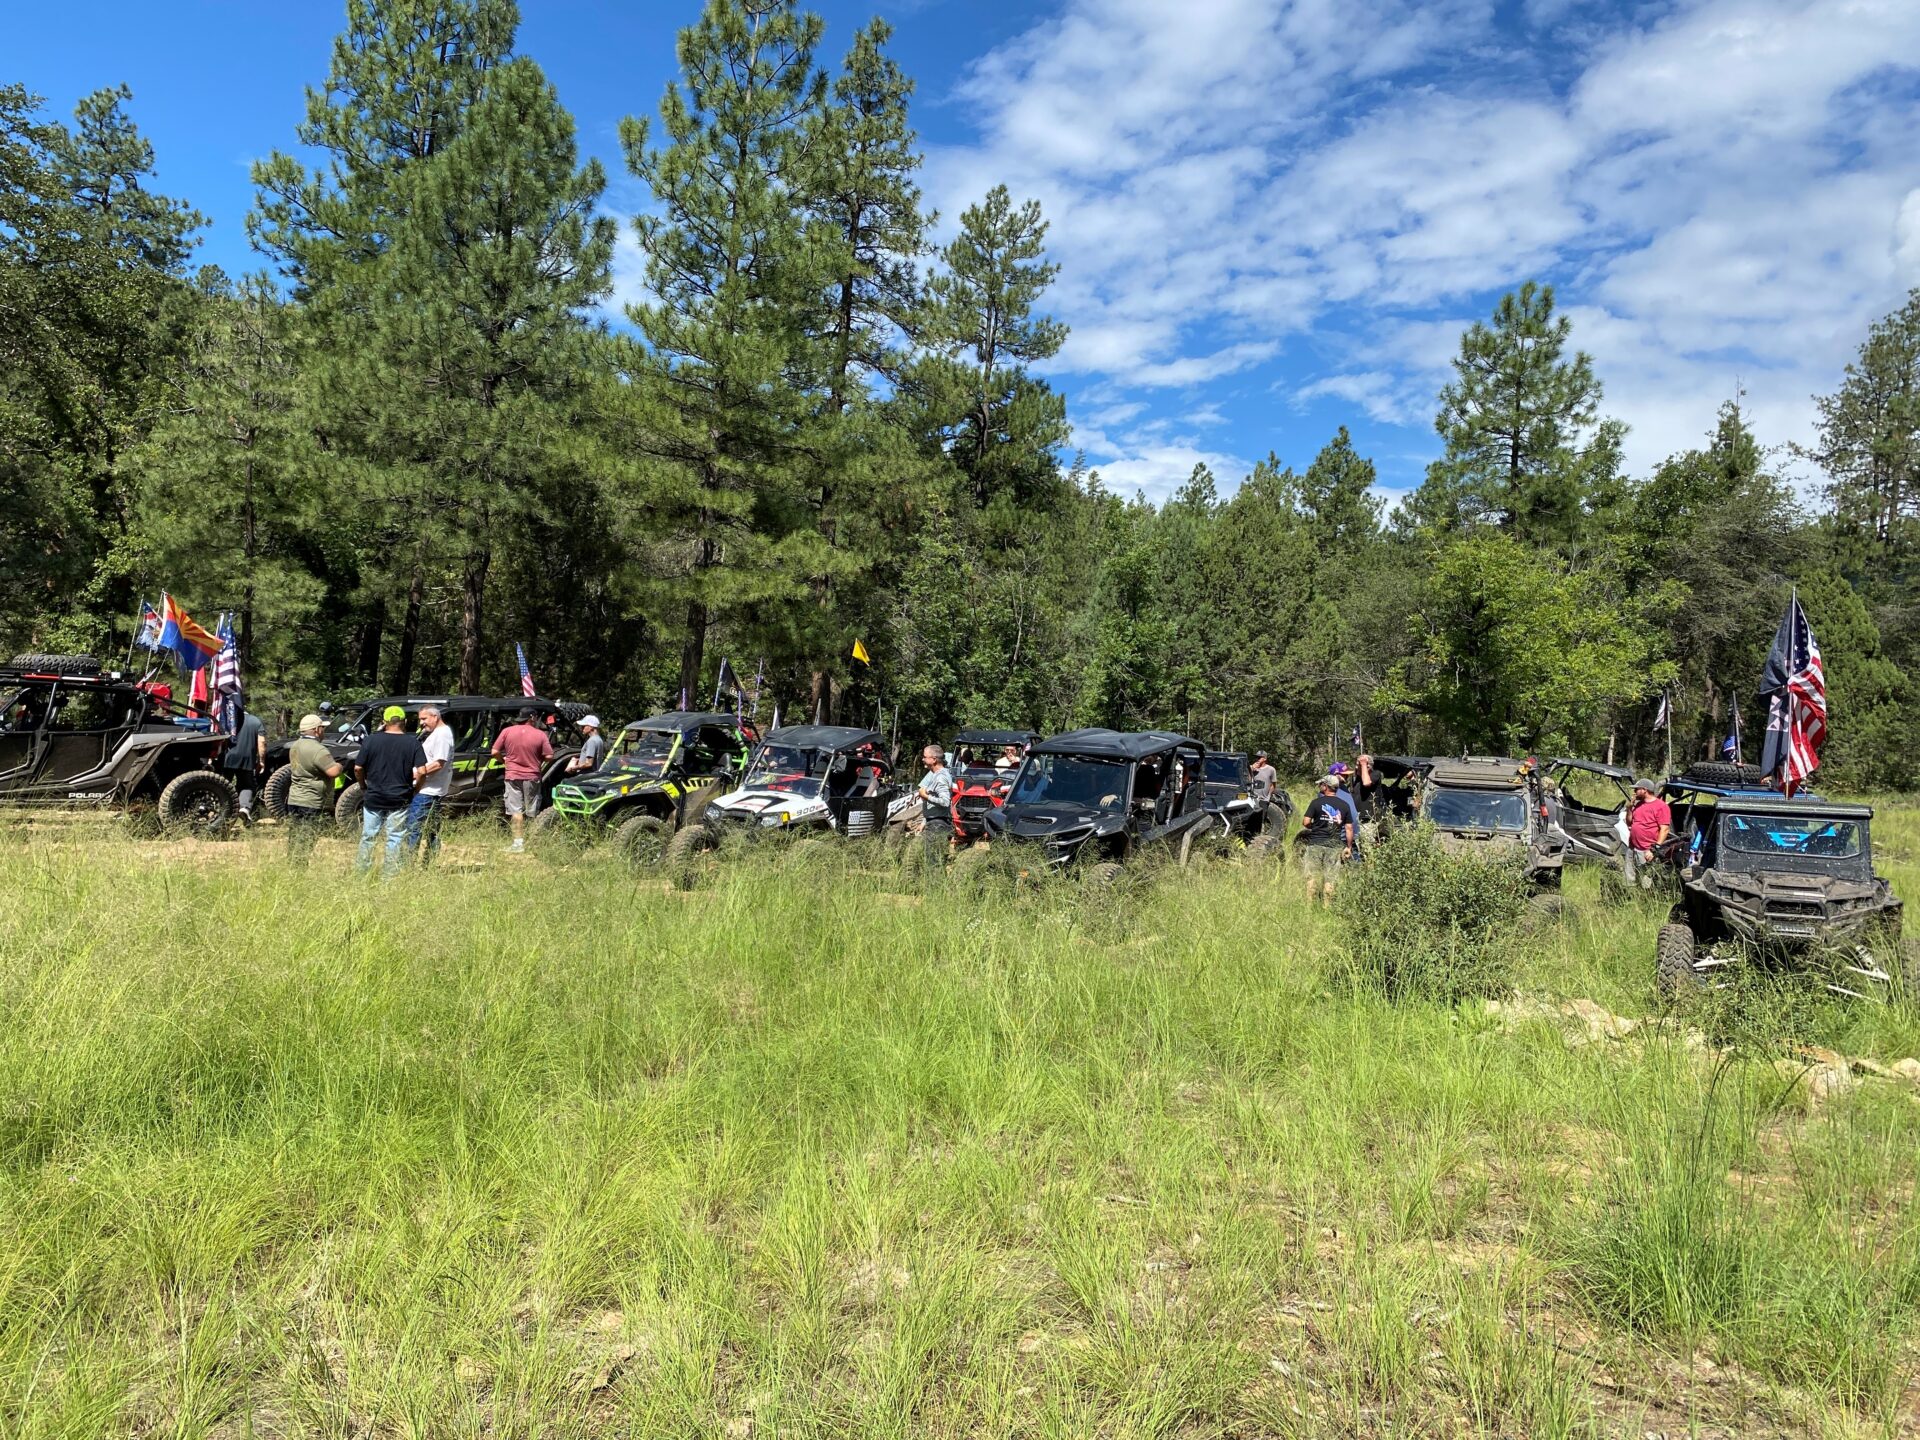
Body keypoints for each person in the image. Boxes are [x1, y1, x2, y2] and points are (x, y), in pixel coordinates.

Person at [355, 705, 425, 877]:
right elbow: (422, 771)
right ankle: (389, 878)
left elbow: (358, 768)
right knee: (395, 837)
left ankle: (361, 875)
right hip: (400, 798)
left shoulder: (371, 740)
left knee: (368, 837)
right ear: (405, 722)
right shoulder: (413, 743)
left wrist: (363, 786)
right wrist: (416, 789)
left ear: (384, 722)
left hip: (374, 796)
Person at [492, 706, 553, 852]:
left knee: (516, 811)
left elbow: (494, 752)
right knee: (531, 811)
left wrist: (504, 761)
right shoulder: (540, 735)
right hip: (532, 775)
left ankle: (518, 844)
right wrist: (539, 762)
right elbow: (550, 756)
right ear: (532, 717)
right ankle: (533, 841)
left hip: (512, 775)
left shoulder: (507, 731)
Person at [285, 712, 341, 867]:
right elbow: (333, 772)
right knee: (307, 838)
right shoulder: (318, 749)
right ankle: (299, 868)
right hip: (311, 800)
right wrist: (340, 765)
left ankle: (292, 866)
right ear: (317, 730)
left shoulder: (295, 745)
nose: (324, 731)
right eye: (322, 728)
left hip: (295, 797)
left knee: (295, 837)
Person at [405, 705, 455, 865]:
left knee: (413, 828)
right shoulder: (438, 733)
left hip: (428, 791)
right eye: (420, 719)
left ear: (435, 717)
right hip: (431, 790)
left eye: (424, 718)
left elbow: (439, 763)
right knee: (431, 830)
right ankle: (428, 863)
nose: (421, 723)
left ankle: (407, 863)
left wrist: (415, 773)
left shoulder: (441, 735)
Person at [1300, 775, 1354, 906]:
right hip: (1334, 846)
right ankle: (1326, 907)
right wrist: (1348, 847)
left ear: (1326, 786)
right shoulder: (1345, 805)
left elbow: (1306, 822)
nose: (1320, 787)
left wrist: (1315, 827)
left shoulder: (1316, 802)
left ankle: (1308, 907)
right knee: (1330, 878)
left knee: (1311, 876)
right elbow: (1349, 828)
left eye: (1321, 785)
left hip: (1315, 844)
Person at [222, 700, 266, 823]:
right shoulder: (255, 721)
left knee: (223, 784)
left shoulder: (226, 720)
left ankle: (219, 809)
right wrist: (261, 761)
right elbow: (262, 742)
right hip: (247, 758)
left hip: (227, 757)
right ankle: (244, 808)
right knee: (246, 785)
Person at [1626, 778, 1672, 878]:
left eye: (1636, 789)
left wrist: (1654, 849)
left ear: (1644, 790)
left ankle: (1643, 893)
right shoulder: (1638, 804)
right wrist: (1629, 808)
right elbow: (1629, 823)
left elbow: (1665, 830)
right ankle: (1629, 892)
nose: (1634, 792)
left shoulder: (1661, 806)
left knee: (1644, 879)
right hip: (1632, 847)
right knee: (1629, 877)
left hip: (1647, 850)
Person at [917, 743, 954, 859]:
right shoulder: (935, 775)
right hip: (933, 821)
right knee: (931, 857)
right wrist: (924, 821)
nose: (923, 759)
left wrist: (925, 796)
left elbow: (945, 801)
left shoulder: (941, 777)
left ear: (933, 760)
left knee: (933, 860)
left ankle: (934, 877)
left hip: (938, 825)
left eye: (925, 757)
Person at [1249, 749, 1283, 832]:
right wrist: (1252, 770)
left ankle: (1261, 834)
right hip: (1252, 797)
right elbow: (1247, 781)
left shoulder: (1271, 770)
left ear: (1265, 758)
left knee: (1262, 819)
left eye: (1259, 757)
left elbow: (1273, 785)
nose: (1257, 759)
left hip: (1264, 798)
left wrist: (1268, 796)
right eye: (1256, 757)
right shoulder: (1251, 768)